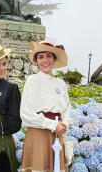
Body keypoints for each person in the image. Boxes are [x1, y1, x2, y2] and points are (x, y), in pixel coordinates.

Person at [20, 40, 72, 172]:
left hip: (57, 134)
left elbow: (66, 109)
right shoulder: (33, 81)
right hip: (38, 134)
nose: (45, 60)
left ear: (54, 59)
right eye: (40, 57)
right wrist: (53, 125)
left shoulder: (60, 83)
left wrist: (63, 125)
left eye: (49, 56)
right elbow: (26, 113)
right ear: (36, 60)